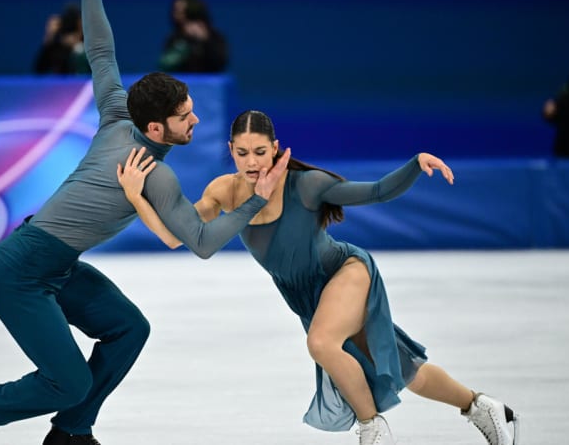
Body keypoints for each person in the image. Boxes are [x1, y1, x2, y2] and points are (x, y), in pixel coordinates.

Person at [0, 0, 289, 445]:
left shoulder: (117, 112)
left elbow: (101, 52)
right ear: (154, 129)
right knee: (69, 382)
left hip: (55, 262)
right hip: (18, 273)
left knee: (129, 328)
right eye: (184, 117)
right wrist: (252, 202)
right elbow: (202, 243)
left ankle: (71, 431)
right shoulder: (155, 175)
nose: (196, 120)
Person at [118, 110, 519, 445]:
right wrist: (137, 196)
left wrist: (415, 163)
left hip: (345, 272)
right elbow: (177, 236)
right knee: (403, 370)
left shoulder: (306, 186)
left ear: (275, 149)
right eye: (243, 153)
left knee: (322, 343)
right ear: (230, 152)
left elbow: (376, 191)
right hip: (307, 297)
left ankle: (372, 430)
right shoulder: (224, 191)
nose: (253, 162)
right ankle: (480, 406)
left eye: (261, 151)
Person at [158, 0, 229, 73]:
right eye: (175, 11)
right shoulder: (174, 38)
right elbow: (165, 64)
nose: (176, 15)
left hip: (208, 83)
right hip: (181, 82)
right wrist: (185, 42)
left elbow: (220, 64)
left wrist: (205, 40)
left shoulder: (215, 37)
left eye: (182, 12)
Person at [34, 2, 91, 76]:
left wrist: (78, 45)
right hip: (62, 86)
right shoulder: (57, 45)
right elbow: (39, 70)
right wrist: (48, 38)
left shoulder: (89, 42)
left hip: (86, 85)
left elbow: (97, 70)